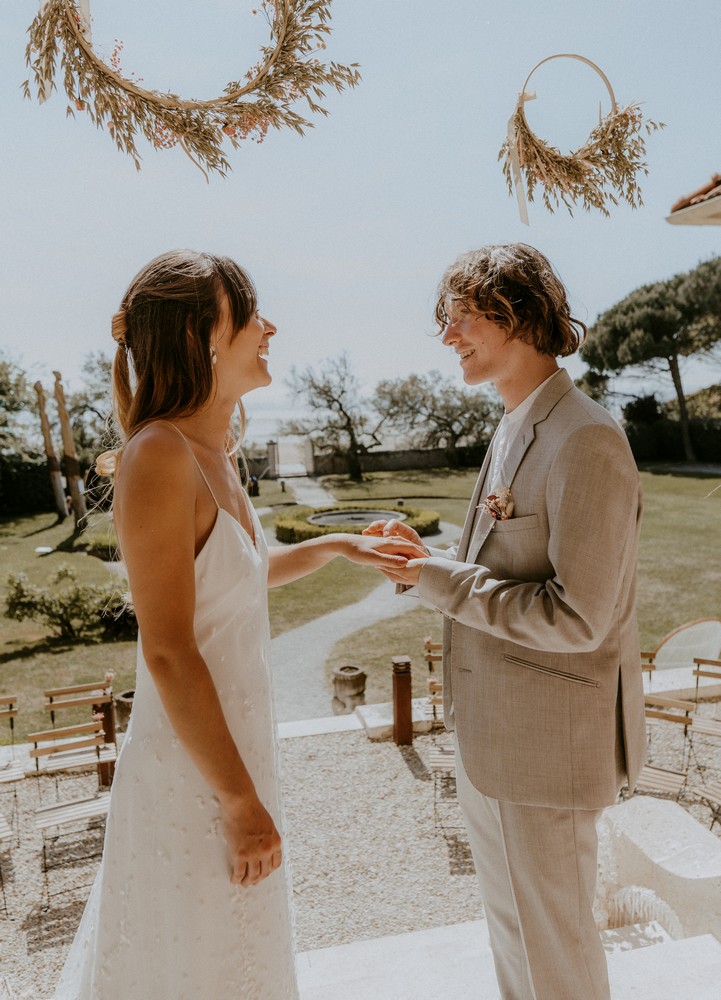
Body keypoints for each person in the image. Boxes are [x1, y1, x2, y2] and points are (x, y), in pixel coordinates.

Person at [54, 250, 425, 1000]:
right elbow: (166, 648)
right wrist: (236, 800)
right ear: (200, 339)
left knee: (232, 959)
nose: (270, 327)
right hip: (194, 777)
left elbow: (239, 571)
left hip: (233, 756)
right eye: (250, 313)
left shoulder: (212, 452)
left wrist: (342, 546)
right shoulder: (157, 454)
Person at [366, 244, 646, 1000]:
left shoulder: (584, 438)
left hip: (546, 742)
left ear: (514, 314)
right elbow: (499, 568)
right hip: (492, 736)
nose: (447, 337)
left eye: (458, 320)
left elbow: (579, 617)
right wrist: (423, 558)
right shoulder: (512, 425)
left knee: (555, 949)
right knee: (512, 936)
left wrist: (435, 580)